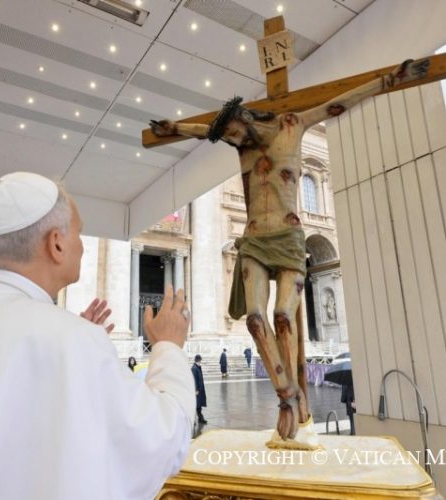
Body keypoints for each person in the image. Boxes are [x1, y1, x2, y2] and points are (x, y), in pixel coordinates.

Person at [150, 58, 429, 441]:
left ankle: (292, 397)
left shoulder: (293, 125)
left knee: (283, 315)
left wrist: (388, 80)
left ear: (245, 119)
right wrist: (176, 128)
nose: (233, 138)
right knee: (255, 319)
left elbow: (338, 104)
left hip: (289, 238)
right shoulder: (239, 143)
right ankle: (288, 396)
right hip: (253, 239)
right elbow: (206, 131)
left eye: (233, 131)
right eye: (228, 135)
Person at [0, 172, 195, 500]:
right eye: (78, 232)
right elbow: (165, 439)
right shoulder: (73, 340)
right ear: (56, 243)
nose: (82, 246)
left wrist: (71, 343)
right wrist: (168, 346)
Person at [191, 354, 207, 424]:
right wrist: (196, 389)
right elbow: (194, 380)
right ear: (198, 360)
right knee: (197, 405)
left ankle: (200, 418)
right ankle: (197, 418)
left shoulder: (197, 367)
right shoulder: (194, 368)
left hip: (200, 390)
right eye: (200, 360)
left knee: (198, 405)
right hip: (197, 390)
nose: (201, 362)